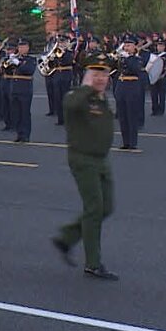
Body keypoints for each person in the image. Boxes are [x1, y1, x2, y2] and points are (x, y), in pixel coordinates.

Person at [51, 53, 118, 281]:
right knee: (94, 208)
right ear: (88, 75)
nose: (101, 78)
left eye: (104, 74)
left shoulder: (102, 98)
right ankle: (93, 263)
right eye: (96, 74)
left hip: (101, 160)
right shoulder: (79, 95)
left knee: (107, 207)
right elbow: (69, 104)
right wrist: (87, 87)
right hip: (83, 159)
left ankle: (67, 237)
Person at [113, 36, 145, 150]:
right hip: (121, 86)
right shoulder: (122, 57)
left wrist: (127, 58)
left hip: (132, 86)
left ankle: (132, 142)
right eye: (125, 45)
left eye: (129, 45)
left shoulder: (137, 59)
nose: (126, 48)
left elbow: (135, 69)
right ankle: (125, 141)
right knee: (122, 116)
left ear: (135, 47)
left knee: (131, 115)